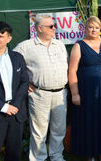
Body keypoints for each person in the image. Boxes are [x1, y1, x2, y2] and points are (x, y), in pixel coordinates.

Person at [14, 14, 68, 161]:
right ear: (39, 28)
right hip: (39, 94)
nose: (54, 28)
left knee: (59, 129)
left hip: (60, 93)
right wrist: (23, 84)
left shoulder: (60, 45)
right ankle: (38, 158)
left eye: (54, 25)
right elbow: (11, 65)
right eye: (51, 26)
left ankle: (57, 156)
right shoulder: (26, 47)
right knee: (39, 131)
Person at [69, 16, 101, 160]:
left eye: (96, 27)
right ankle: (88, 154)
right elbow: (72, 71)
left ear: (100, 30)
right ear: (85, 28)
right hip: (86, 92)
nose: (93, 30)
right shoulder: (78, 45)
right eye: (90, 27)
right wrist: (75, 94)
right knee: (88, 122)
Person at [0, 22, 29, 161]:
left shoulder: (17, 58)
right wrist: (4, 107)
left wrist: (15, 105)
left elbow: (24, 82)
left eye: (0, 36)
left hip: (16, 114)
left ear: (9, 38)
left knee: (14, 154)